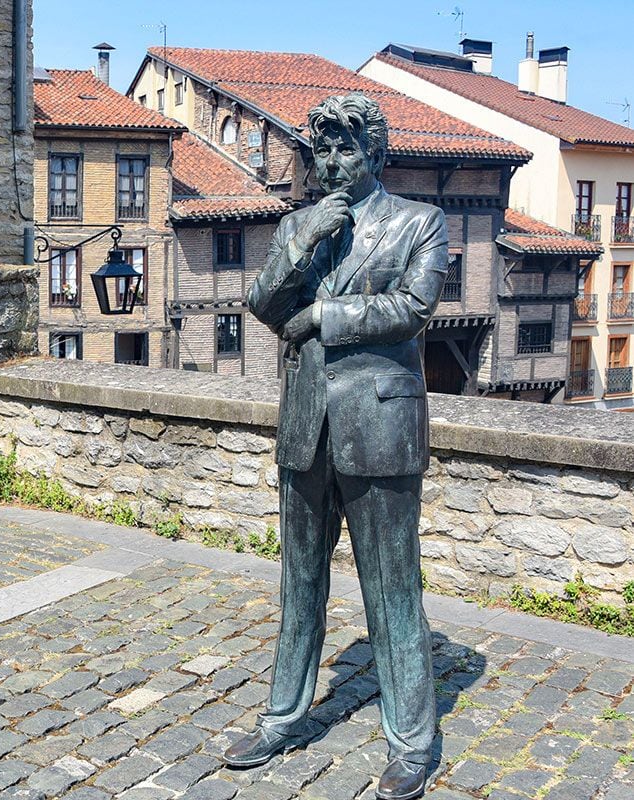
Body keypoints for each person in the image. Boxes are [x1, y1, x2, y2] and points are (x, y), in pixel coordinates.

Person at [222, 93, 449, 800]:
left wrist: (322, 312)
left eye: (346, 150)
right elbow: (262, 306)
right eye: (322, 152)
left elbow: (413, 308)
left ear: (375, 155)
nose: (332, 164)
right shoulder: (302, 224)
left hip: (380, 428)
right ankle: (284, 716)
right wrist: (301, 241)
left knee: (392, 591)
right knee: (300, 586)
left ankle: (412, 742)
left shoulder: (421, 221)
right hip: (306, 425)